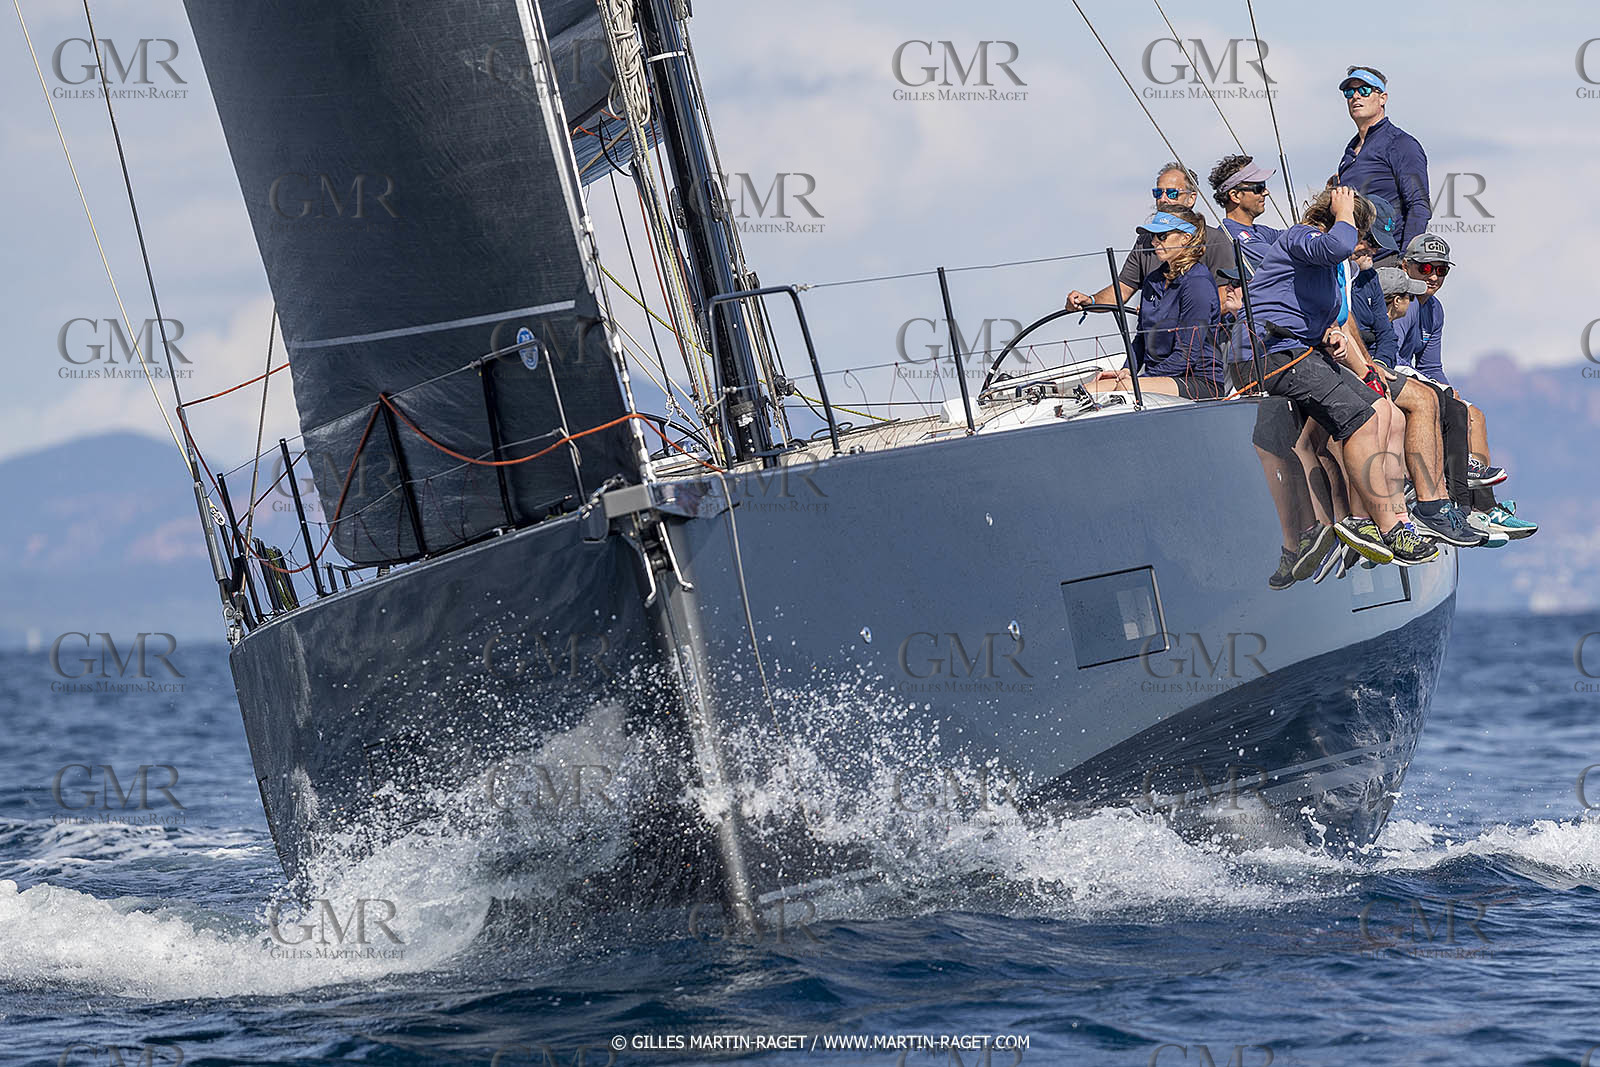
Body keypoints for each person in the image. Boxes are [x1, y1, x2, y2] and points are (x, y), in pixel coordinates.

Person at [1238, 185, 1437, 567]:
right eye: (1363, 236)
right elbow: (1339, 244)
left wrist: (1328, 335)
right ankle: (1378, 525)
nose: (1364, 246)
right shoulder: (1301, 237)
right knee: (1359, 420)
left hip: (1300, 350)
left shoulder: (1326, 264)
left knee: (1380, 411)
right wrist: (1344, 209)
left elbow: (1320, 311)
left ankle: (1392, 519)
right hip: (1268, 353)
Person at [1392, 234, 1539, 540]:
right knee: (1455, 411)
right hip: (1394, 375)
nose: (1433, 276)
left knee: (1475, 415)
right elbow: (1392, 357)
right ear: (1406, 266)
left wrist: (1446, 387)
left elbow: (1431, 365)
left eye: (1441, 270)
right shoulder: (1404, 301)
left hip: (1415, 377)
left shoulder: (1434, 309)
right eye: (1425, 268)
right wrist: (1439, 389)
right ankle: (1462, 504)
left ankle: (1485, 507)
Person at [1089, 209, 1225, 399]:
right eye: (1153, 236)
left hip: (1197, 380)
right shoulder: (1153, 280)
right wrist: (1127, 370)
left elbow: (1187, 355)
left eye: (1162, 236)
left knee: (1126, 389)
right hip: (1159, 377)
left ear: (1185, 238)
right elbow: (1141, 338)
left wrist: (1141, 380)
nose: (1154, 242)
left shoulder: (1197, 283)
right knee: (1089, 390)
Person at [1067, 162, 1238, 311]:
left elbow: (1224, 299)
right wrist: (1090, 301)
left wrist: (1167, 314)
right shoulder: (1145, 240)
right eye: (1158, 193)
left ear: (1191, 198)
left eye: (1172, 193)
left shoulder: (1215, 240)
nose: (1163, 199)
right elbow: (1122, 290)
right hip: (1157, 335)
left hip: (1202, 334)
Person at [1335, 66, 1432, 253]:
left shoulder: (1400, 144)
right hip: (1353, 260)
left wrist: (1405, 259)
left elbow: (1418, 205)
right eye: (1349, 92)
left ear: (1382, 98)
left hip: (1387, 258)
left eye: (1364, 90)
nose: (1356, 96)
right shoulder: (1350, 151)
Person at [1209, 155, 1282, 267]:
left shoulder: (1260, 230)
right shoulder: (1233, 237)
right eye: (1259, 188)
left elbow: (1293, 236)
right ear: (1235, 196)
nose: (1266, 192)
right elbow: (1281, 259)